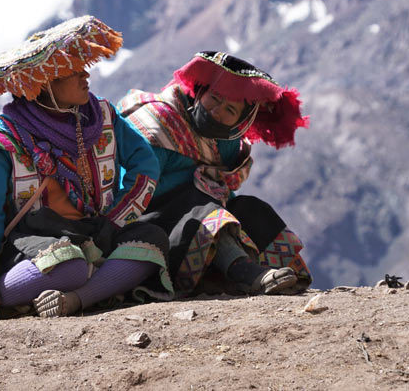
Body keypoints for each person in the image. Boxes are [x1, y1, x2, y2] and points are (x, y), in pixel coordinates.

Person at [0, 16, 172, 325]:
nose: (85, 76)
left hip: (94, 230)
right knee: (68, 264)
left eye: (83, 67)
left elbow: (145, 165)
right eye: (72, 72)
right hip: (25, 242)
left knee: (152, 240)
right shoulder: (3, 142)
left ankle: (73, 300)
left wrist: (114, 221)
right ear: (42, 85)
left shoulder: (102, 117)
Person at [119, 51, 312, 296]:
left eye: (230, 109)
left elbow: (223, 192)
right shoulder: (159, 124)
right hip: (145, 227)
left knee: (248, 207)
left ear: (241, 122)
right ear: (200, 91)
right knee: (200, 205)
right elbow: (131, 193)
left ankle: (288, 275)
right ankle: (245, 274)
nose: (216, 111)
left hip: (196, 220)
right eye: (215, 98)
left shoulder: (228, 144)